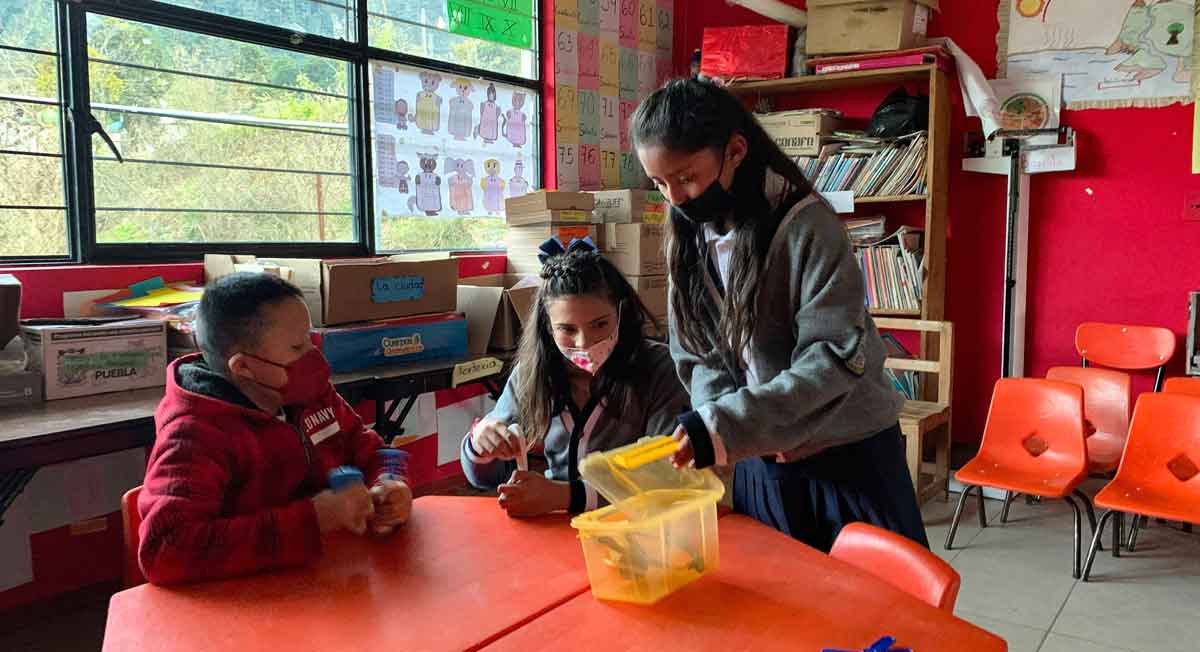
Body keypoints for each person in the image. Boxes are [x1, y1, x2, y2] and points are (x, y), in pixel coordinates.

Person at [631, 77, 928, 551]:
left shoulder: (807, 225)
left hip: (848, 455)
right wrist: (718, 421)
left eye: (686, 177)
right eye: (660, 183)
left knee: (873, 616)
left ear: (735, 150)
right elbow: (697, 352)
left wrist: (725, 424)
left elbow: (831, 358)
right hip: (760, 459)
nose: (676, 198)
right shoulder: (688, 236)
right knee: (780, 607)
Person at [138, 273, 412, 585]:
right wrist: (314, 519)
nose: (313, 355)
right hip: (245, 607)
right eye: (296, 347)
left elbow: (375, 449)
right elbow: (165, 549)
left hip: (328, 582)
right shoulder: (195, 434)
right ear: (243, 367)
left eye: (309, 338)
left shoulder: (311, 395)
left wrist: (392, 483)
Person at [461, 238, 690, 517]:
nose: (585, 343)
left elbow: (667, 474)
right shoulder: (532, 375)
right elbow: (483, 477)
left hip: (635, 528)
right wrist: (480, 445)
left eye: (600, 324)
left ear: (622, 312)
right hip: (558, 529)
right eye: (567, 329)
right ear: (548, 328)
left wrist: (563, 496)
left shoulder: (659, 369)